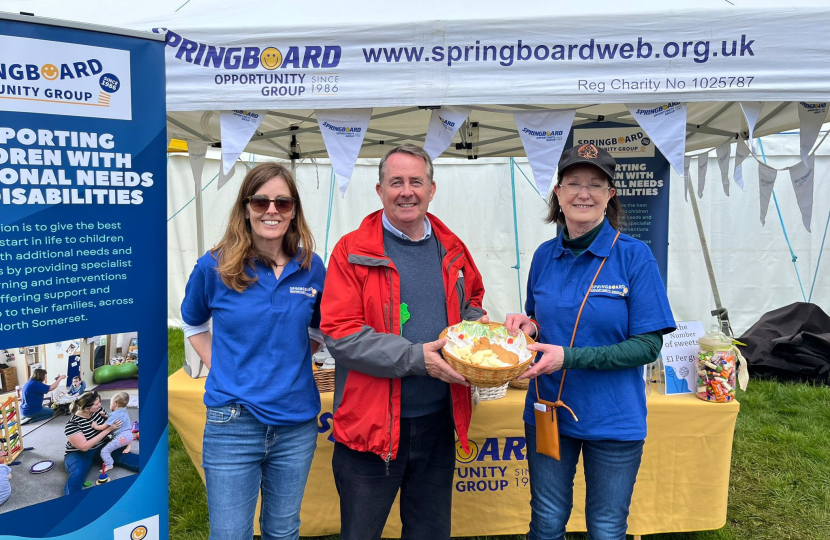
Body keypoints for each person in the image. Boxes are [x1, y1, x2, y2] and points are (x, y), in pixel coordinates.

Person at [506, 143, 676, 540]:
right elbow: (541, 321)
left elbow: (648, 346)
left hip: (613, 418)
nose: (584, 193)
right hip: (549, 414)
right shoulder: (544, 256)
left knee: (605, 526)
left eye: (596, 185)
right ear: (559, 194)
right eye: (574, 184)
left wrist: (569, 357)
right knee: (546, 521)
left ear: (609, 195)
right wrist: (527, 327)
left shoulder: (634, 258)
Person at [321, 144, 487, 540]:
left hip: (437, 422)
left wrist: (488, 338)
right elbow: (340, 332)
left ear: (432, 189)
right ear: (379, 191)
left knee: (429, 532)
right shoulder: (352, 252)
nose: (406, 191)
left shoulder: (453, 248)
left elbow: (472, 307)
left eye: (416, 181)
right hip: (371, 427)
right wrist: (416, 358)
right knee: (361, 533)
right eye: (396, 182)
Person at [181, 163, 325, 540]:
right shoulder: (214, 266)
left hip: (296, 424)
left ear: (294, 210)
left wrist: (291, 359)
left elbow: (318, 328)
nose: (271, 210)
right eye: (260, 201)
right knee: (230, 534)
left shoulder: (312, 267)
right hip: (233, 423)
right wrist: (221, 367)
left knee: (283, 530)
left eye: (282, 202)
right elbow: (194, 324)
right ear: (245, 207)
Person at [63, 391, 139, 495]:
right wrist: (108, 430)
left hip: (102, 445)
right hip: (79, 453)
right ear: (86, 408)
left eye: (100, 402)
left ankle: (154, 469)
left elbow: (112, 421)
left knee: (127, 457)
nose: (100, 405)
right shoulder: (72, 425)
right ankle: (71, 503)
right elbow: (84, 447)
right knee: (77, 473)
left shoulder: (99, 411)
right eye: (97, 403)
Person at [95, 392, 133, 471]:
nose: (110, 405)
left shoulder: (114, 415)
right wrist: (105, 416)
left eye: (110, 403)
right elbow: (113, 418)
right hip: (130, 435)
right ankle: (128, 446)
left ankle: (109, 464)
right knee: (125, 432)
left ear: (114, 404)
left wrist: (95, 426)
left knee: (104, 451)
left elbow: (103, 427)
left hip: (122, 438)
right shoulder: (124, 410)